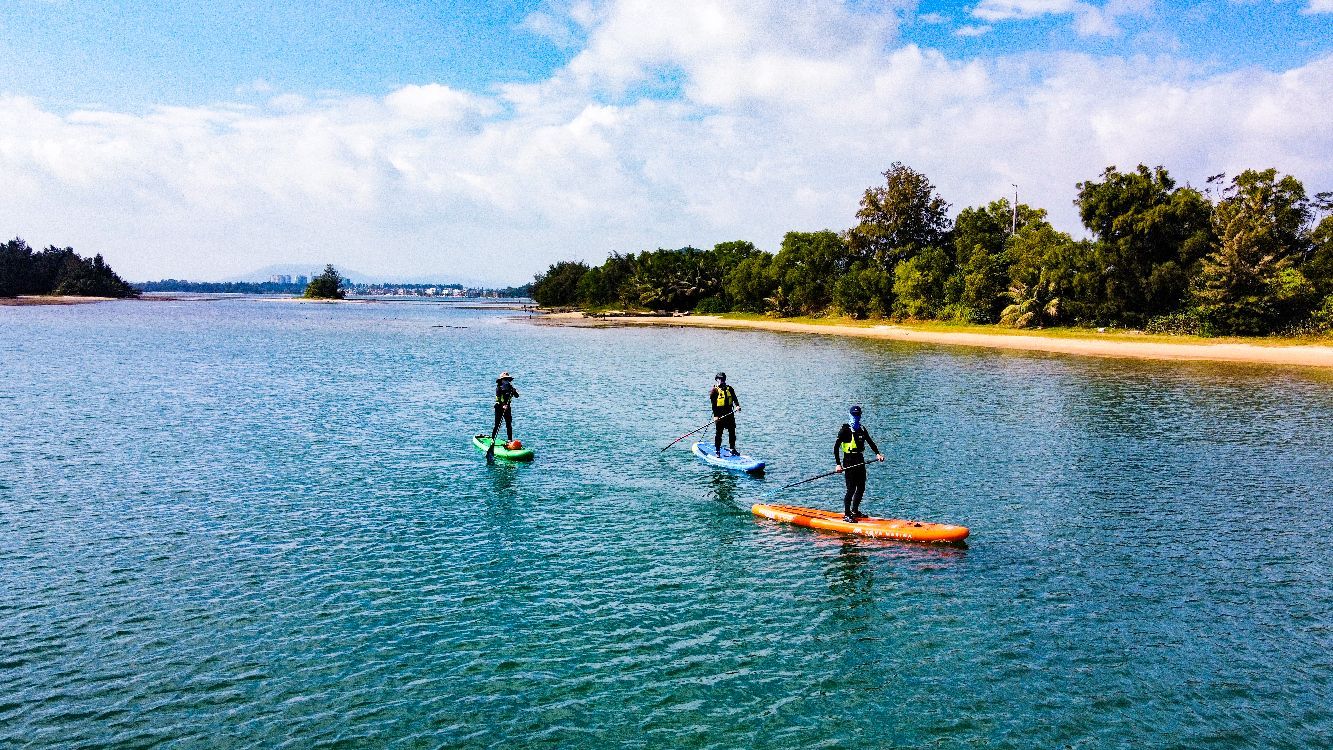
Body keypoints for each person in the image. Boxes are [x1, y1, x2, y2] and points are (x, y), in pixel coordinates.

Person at [833, 405, 884, 523]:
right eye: (854, 415)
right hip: (849, 460)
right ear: (850, 415)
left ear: (860, 416)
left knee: (861, 487)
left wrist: (877, 454)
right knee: (851, 488)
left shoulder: (862, 429)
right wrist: (838, 464)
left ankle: (855, 510)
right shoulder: (844, 430)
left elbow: (870, 442)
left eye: (858, 415)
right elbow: (836, 448)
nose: (856, 417)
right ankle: (847, 514)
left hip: (860, 459)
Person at [709, 372, 741, 457]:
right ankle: (717, 451)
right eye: (719, 379)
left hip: (730, 414)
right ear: (716, 380)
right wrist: (715, 416)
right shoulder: (714, 391)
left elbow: (734, 398)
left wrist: (737, 406)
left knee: (732, 432)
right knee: (719, 433)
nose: (721, 381)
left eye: (722, 379)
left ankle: (732, 449)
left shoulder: (730, 388)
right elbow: (713, 405)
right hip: (719, 415)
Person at [491, 372, 520, 444]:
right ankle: (493, 439)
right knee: (497, 424)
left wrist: (514, 391)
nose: (506, 381)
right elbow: (498, 398)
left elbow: (517, 396)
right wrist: (503, 405)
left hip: (507, 408)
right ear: (501, 380)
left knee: (508, 424)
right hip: (499, 407)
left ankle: (509, 440)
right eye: (505, 379)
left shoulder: (510, 388)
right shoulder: (498, 388)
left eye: (507, 379)